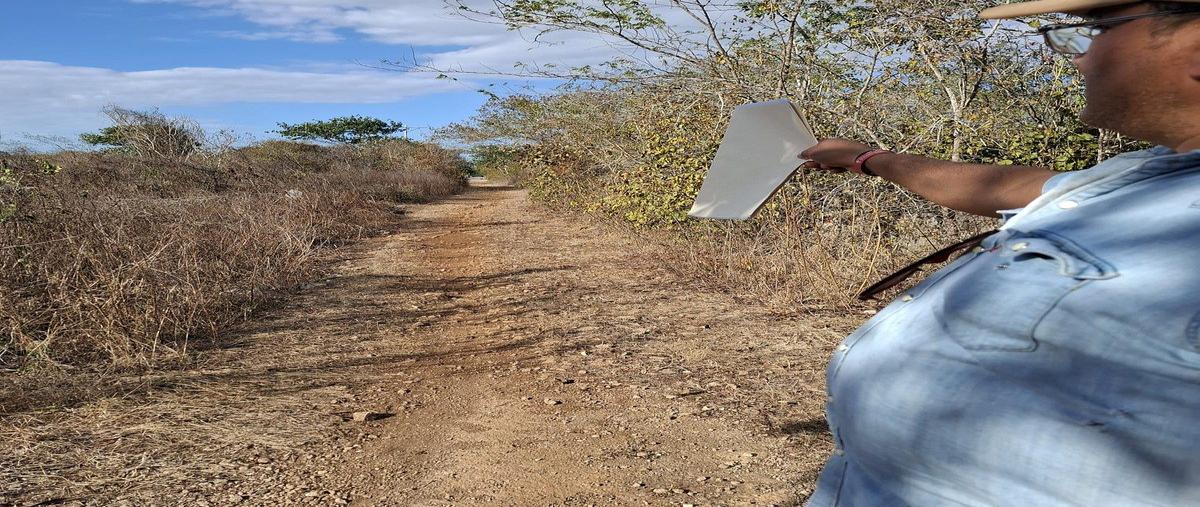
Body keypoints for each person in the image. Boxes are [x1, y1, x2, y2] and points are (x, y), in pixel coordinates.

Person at [798, 0, 1200, 505]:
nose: (1079, 57)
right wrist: (870, 159)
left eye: (1099, 29)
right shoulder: (1146, 173)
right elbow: (999, 186)